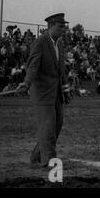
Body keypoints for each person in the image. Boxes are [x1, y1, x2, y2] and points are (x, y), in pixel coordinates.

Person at [16, 13, 71, 170]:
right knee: (48, 127)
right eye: (60, 26)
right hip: (42, 93)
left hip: (56, 93)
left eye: (64, 27)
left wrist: (66, 91)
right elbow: (32, 66)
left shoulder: (59, 44)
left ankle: (37, 156)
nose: (63, 30)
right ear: (50, 26)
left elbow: (62, 70)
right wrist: (26, 83)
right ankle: (49, 161)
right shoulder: (40, 42)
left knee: (57, 125)